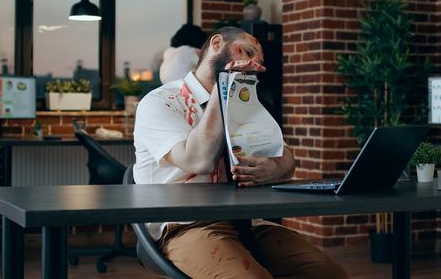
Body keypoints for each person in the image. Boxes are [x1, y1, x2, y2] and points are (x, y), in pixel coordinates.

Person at [133, 27, 349, 278]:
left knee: (328, 273)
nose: (253, 62)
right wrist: (223, 88)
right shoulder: (161, 102)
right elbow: (198, 160)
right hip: (184, 224)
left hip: (247, 221)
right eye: (246, 51)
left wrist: (274, 169)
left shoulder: (246, 103)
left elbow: (287, 159)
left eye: (258, 60)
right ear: (216, 43)